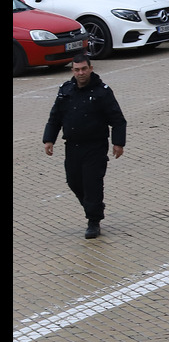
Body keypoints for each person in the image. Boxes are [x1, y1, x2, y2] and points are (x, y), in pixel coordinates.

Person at [43, 54, 126, 239]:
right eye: (77, 70)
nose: (81, 73)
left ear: (91, 68)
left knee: (92, 184)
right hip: (72, 146)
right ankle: (93, 206)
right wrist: (49, 139)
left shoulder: (102, 92)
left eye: (84, 69)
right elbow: (55, 117)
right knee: (73, 181)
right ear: (72, 71)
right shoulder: (66, 90)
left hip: (95, 147)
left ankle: (93, 220)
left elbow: (118, 120)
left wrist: (118, 143)